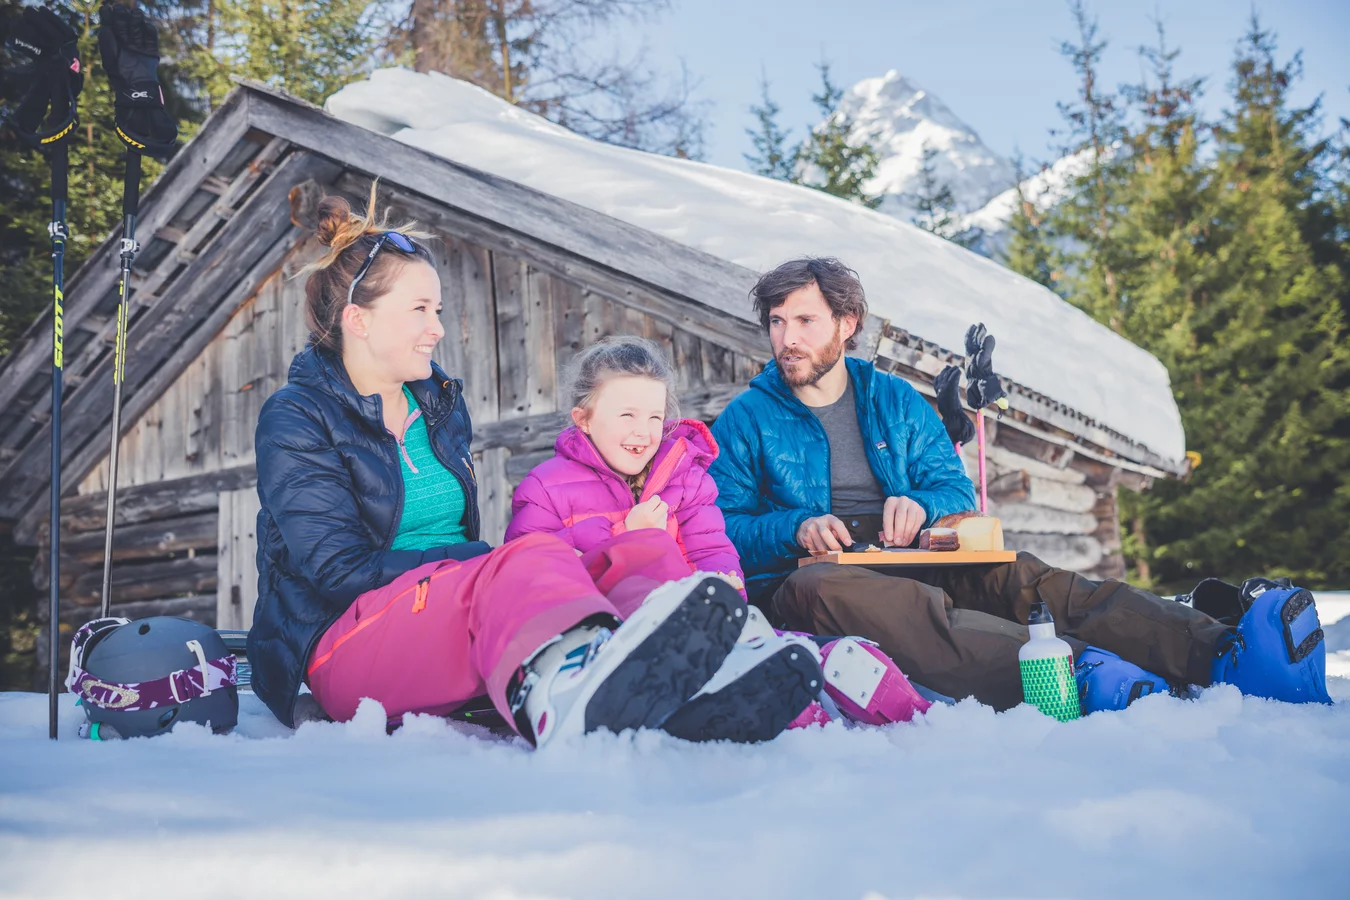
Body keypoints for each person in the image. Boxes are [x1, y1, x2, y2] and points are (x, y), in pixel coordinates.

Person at [708, 257, 1331, 712]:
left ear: (847, 323)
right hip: (813, 579)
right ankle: (1078, 676)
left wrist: (920, 505)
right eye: (777, 322)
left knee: (1026, 578)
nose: (788, 339)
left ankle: (1221, 653)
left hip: (915, 555)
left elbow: (954, 493)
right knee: (839, 591)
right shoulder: (747, 419)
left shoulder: (894, 400)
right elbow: (719, 527)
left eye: (805, 320)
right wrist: (795, 526)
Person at [246, 188, 748, 746]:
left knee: (637, 553)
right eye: (420, 309)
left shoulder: (436, 406)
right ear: (358, 320)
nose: (437, 328)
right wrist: (481, 561)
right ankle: (570, 693)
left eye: (437, 311)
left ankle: (709, 674)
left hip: (443, 613)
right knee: (533, 555)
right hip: (340, 645)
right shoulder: (298, 417)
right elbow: (339, 572)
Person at [506, 336, 929, 739]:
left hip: (699, 626)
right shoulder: (545, 489)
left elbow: (712, 550)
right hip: (611, 646)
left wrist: (725, 588)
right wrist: (626, 540)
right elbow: (530, 585)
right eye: (627, 416)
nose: (644, 431)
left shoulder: (684, 479)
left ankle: (888, 700)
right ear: (584, 418)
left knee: (790, 650)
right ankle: (794, 710)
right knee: (729, 668)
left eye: (654, 417)